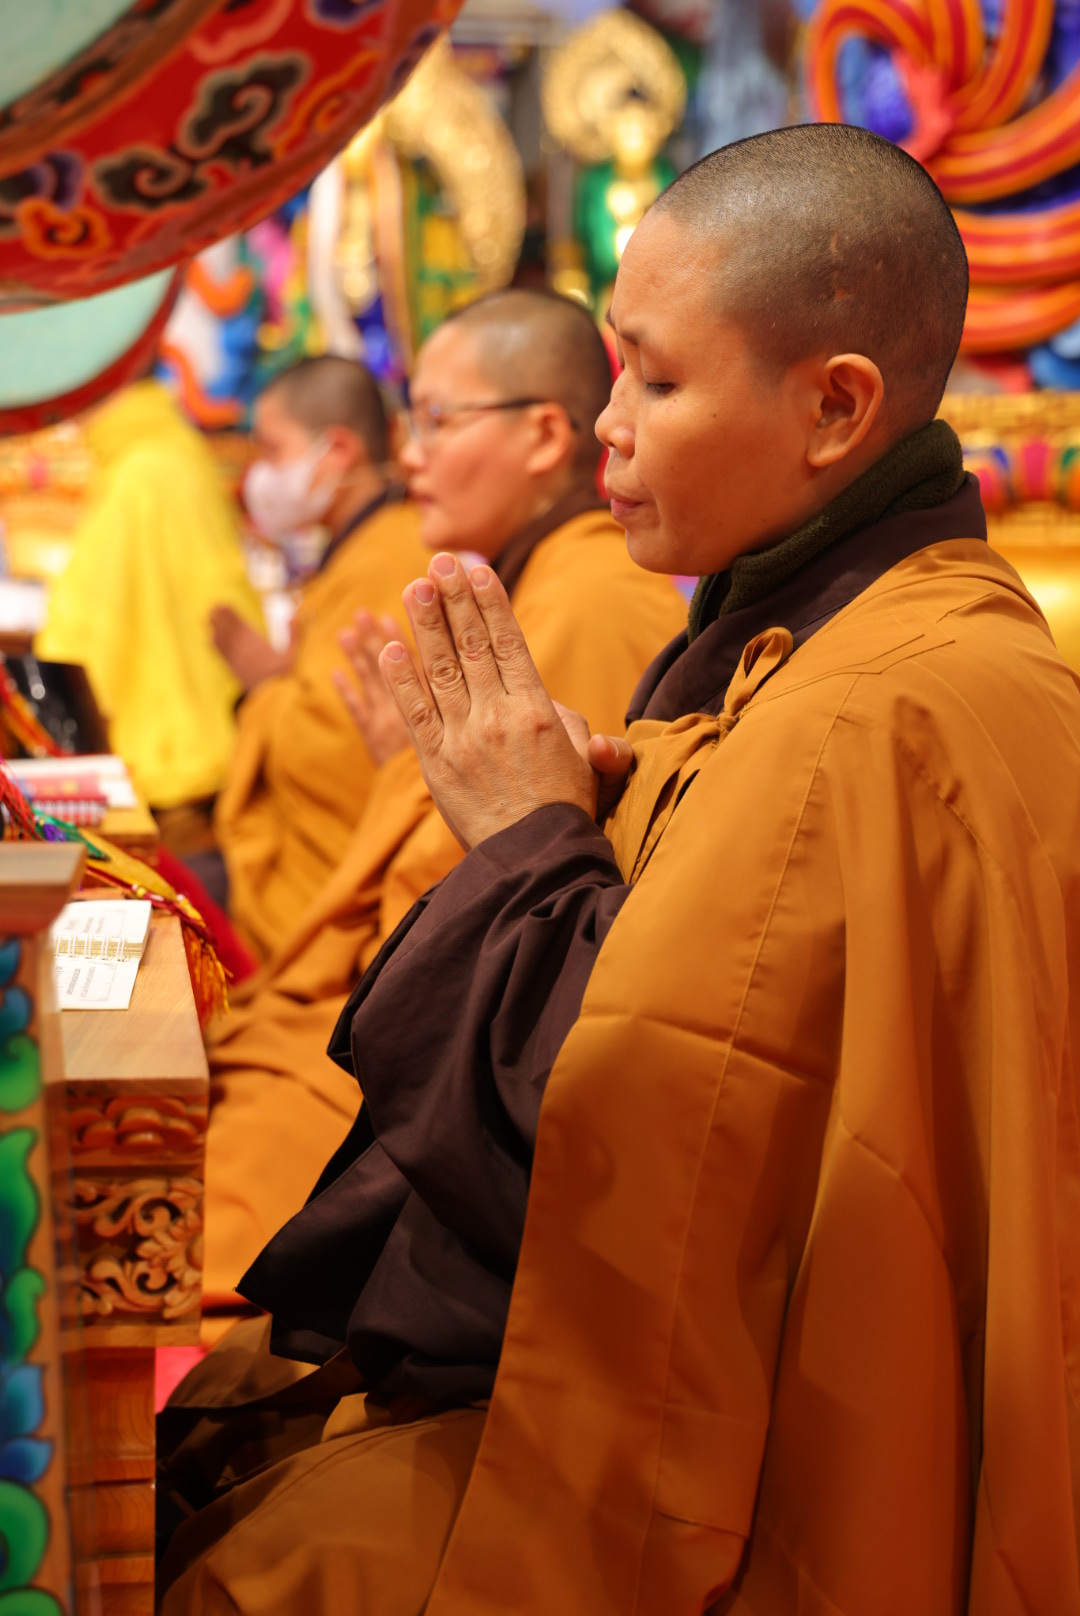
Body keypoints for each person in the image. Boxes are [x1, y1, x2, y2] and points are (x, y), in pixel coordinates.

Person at [160, 126, 1080, 1615]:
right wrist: (589, 821)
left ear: (835, 408)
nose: (610, 428)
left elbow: (637, 1144)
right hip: (744, 1366)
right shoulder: (835, 642)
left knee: (253, 1565)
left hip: (768, 1467)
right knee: (231, 1430)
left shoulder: (870, 711)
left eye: (653, 381)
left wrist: (529, 844)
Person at [196, 289, 685, 1321]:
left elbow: (532, 881)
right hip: (369, 1008)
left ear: (543, 435)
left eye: (436, 421)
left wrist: (399, 779)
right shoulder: (535, 585)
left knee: (191, 1227)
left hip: (416, 1051)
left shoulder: (589, 598)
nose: (408, 455)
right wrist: (403, 768)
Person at [207, 355, 429, 959]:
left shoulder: (391, 555)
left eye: (272, 450)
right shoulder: (361, 547)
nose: (258, 475)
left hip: (335, 891)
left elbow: (339, 746)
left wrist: (266, 686)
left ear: (338, 452)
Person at [35, 376, 264, 820]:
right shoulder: (178, 452)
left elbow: (83, 631)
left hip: (160, 762)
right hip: (209, 743)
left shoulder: (138, 472)